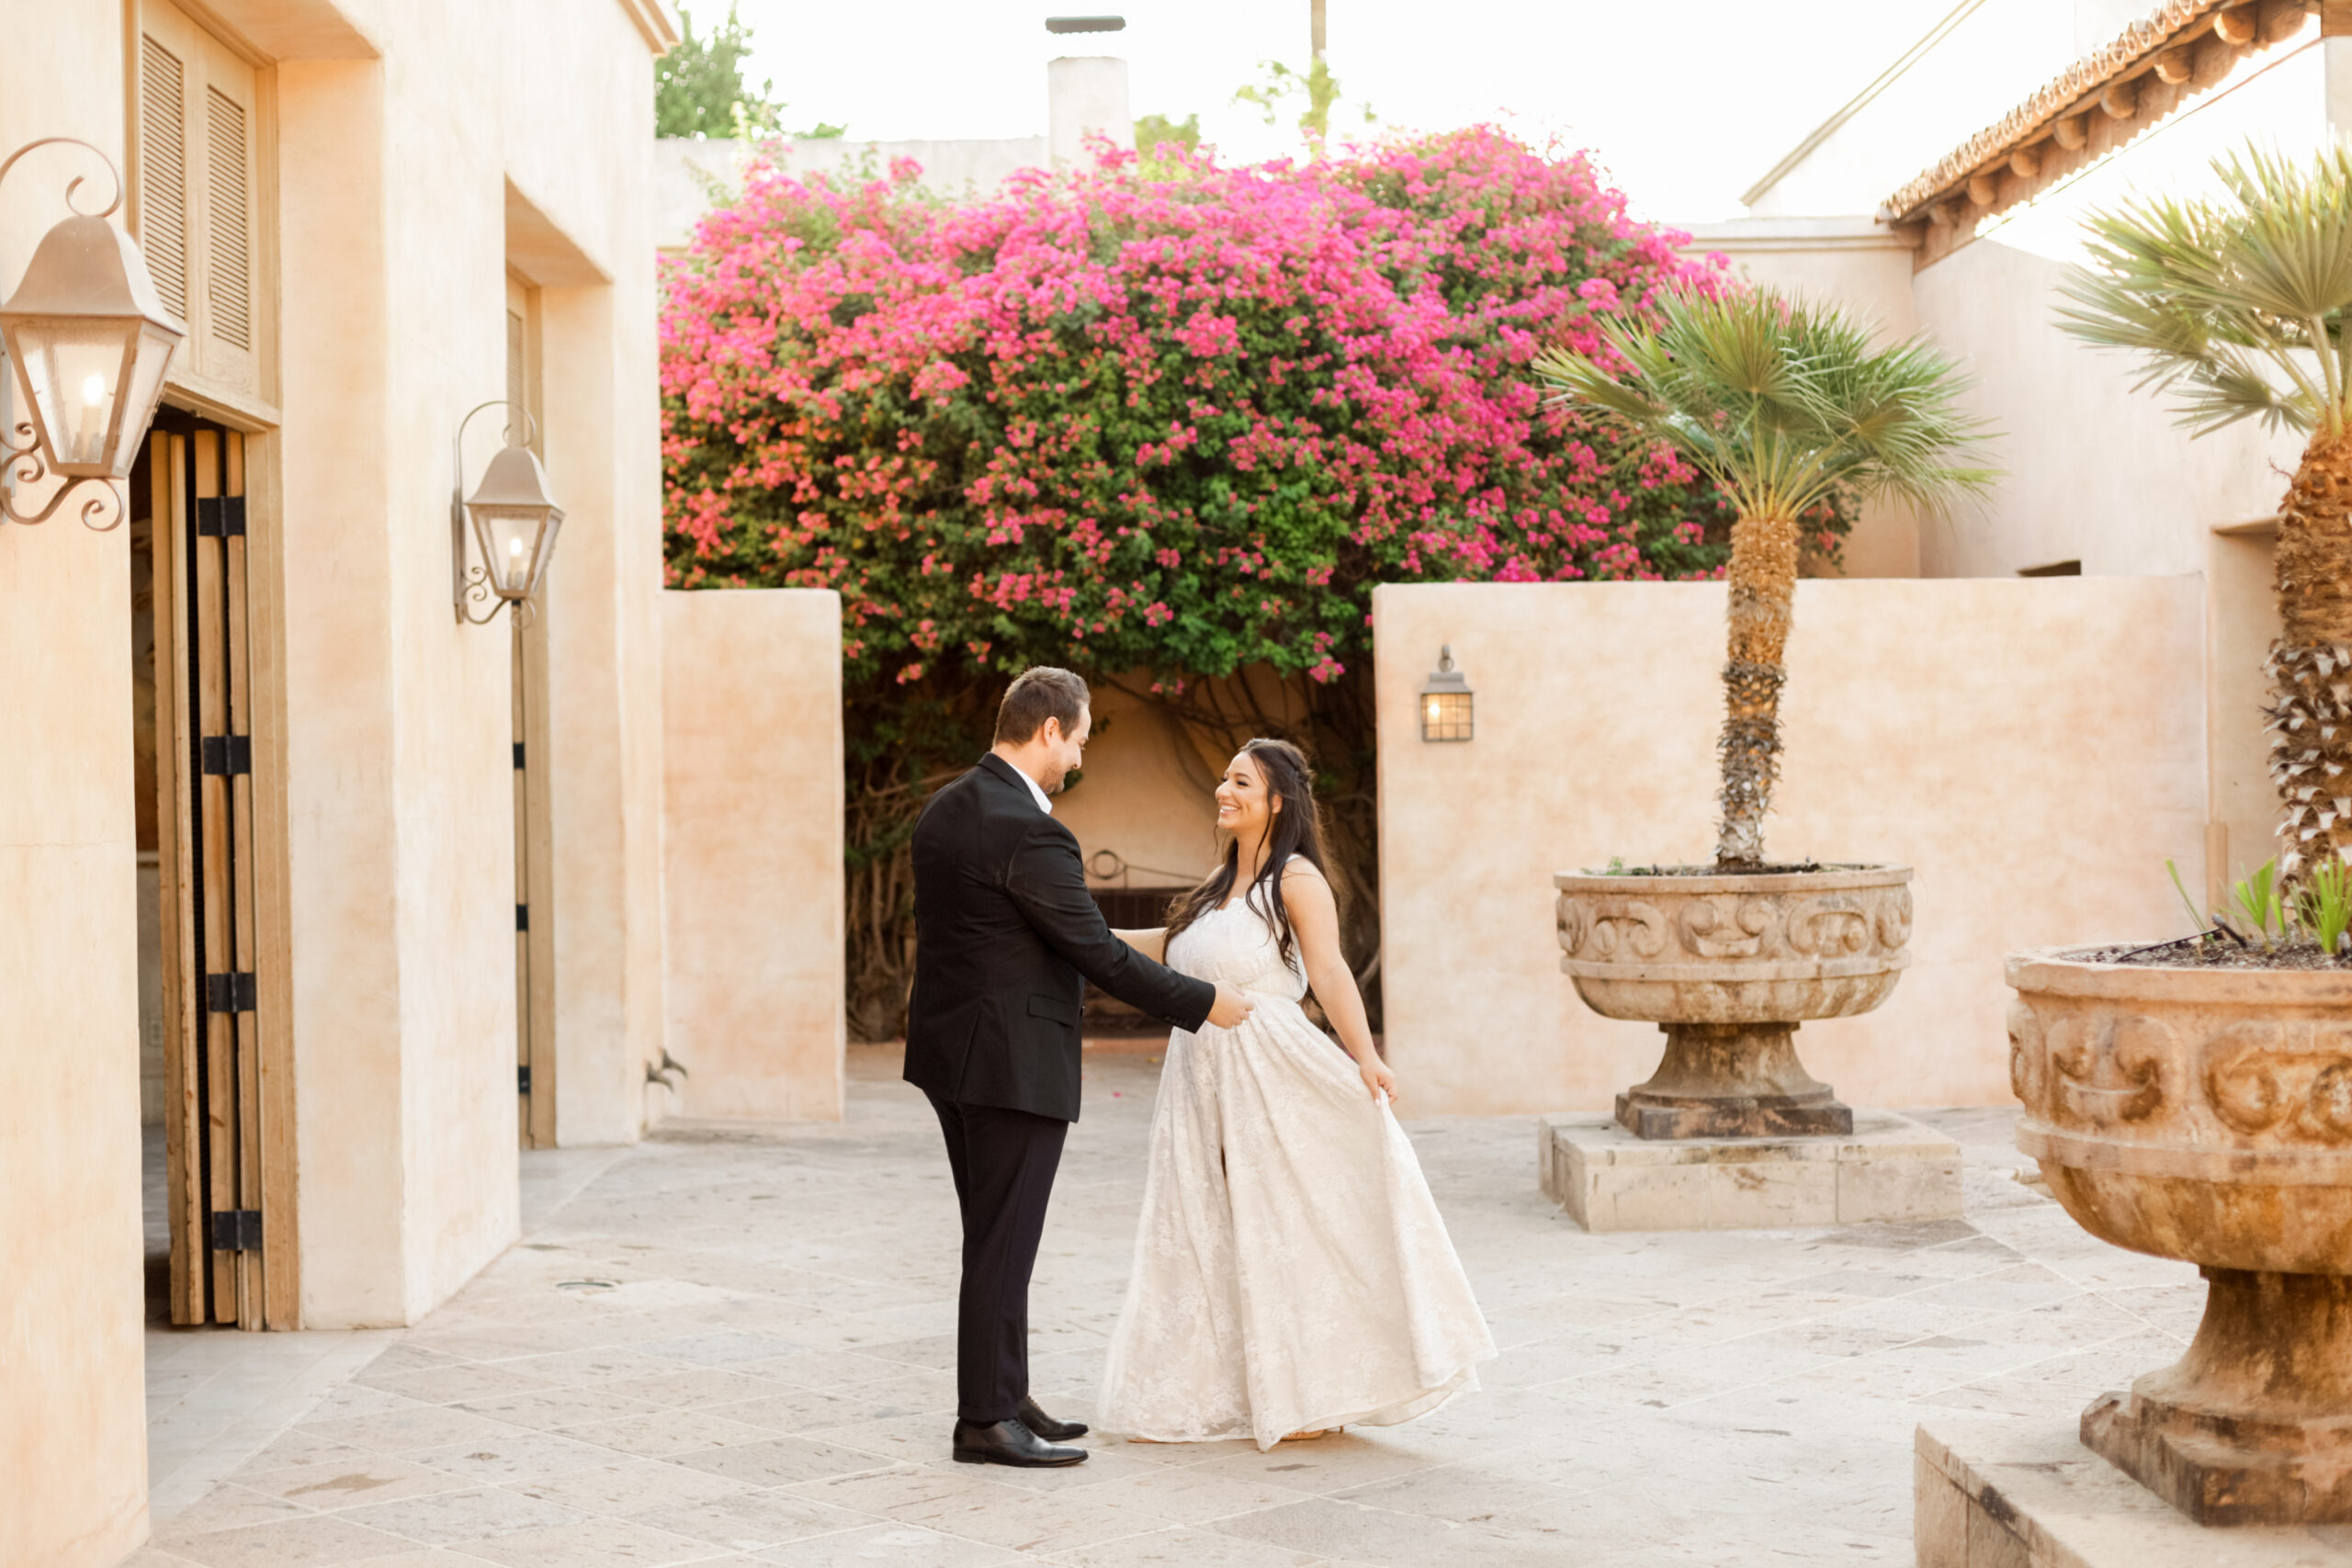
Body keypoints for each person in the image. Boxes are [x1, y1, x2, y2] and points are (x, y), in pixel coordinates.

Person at [1097, 738, 1496, 1450]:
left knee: (1286, 1221)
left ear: (1277, 799)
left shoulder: (1297, 878)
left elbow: (1331, 971)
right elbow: (1171, 946)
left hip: (1270, 1070)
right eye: (1223, 778)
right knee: (1216, 1225)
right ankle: (1243, 1384)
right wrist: (1079, 930)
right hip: (1200, 1075)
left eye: (1240, 781)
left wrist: (1366, 1055)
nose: (1224, 789)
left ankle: (1319, 1384)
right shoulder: (1221, 881)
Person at [904, 666, 1258, 1469]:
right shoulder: (1030, 830)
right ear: (1049, 730)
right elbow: (1095, 952)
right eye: (1080, 741)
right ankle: (984, 1421)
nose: (1078, 759)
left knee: (993, 1235)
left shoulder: (947, 809)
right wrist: (1205, 1002)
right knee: (1004, 1241)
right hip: (1011, 1064)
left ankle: (1006, 1392)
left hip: (952, 1056)